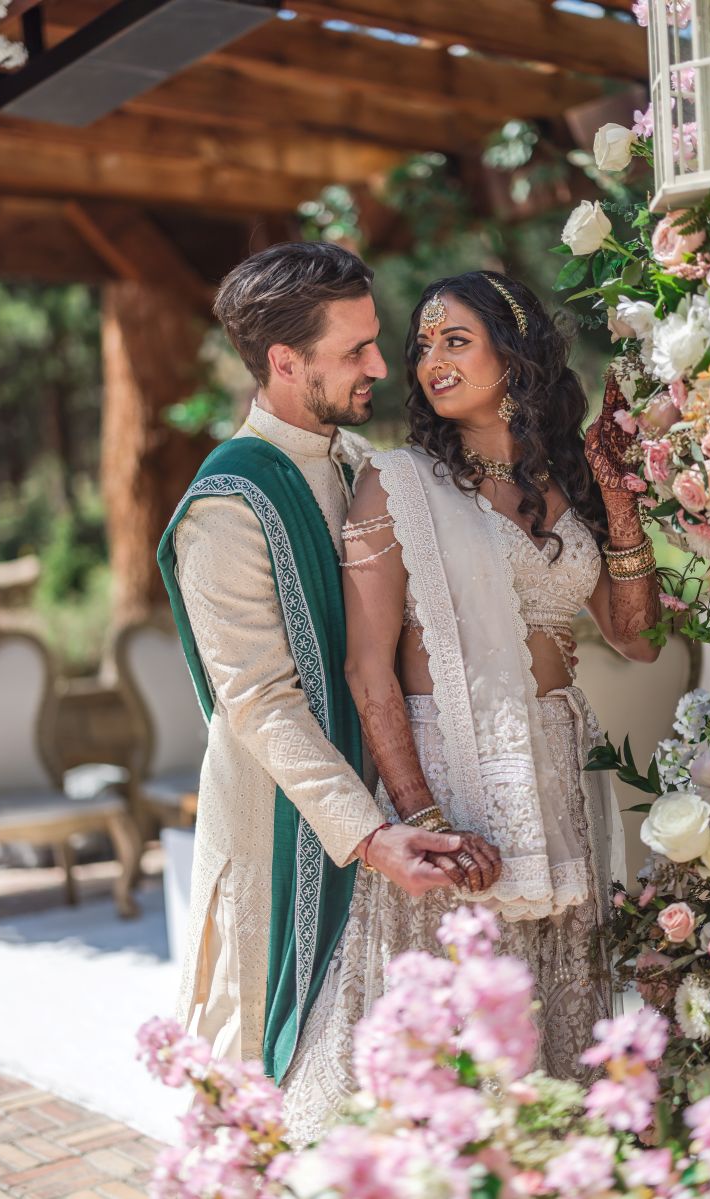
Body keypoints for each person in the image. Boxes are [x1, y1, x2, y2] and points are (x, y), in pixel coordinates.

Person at [280, 270, 660, 1142]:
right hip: (449, 770)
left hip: (559, 765)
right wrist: (424, 812)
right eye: (422, 346)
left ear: (513, 352)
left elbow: (636, 637)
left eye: (456, 340)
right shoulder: (401, 482)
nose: (429, 361)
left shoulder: (566, 486)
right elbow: (369, 671)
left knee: (551, 1015)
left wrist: (619, 496)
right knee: (454, 1029)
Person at [157, 244, 481, 1084]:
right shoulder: (226, 507)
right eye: (354, 351)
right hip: (278, 838)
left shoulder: (354, 464)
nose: (381, 364)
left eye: (376, 341)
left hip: (378, 832)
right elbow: (260, 702)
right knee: (272, 1099)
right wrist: (370, 837)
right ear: (283, 361)